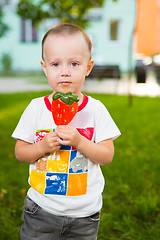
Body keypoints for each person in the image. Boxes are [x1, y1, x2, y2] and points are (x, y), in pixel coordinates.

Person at [12, 23, 121, 240]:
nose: (64, 72)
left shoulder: (96, 109)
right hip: (41, 211)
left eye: (74, 63)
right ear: (44, 67)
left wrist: (81, 142)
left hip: (84, 214)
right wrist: (41, 146)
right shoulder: (36, 108)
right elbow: (20, 152)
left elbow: (107, 156)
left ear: (88, 68)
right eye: (55, 64)